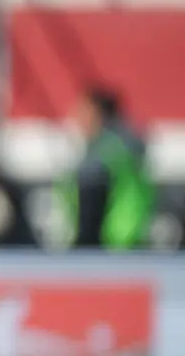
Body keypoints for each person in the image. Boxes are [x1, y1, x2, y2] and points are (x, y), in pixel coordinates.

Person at [58, 86, 154, 250]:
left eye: (82, 111)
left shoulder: (102, 152)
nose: (76, 118)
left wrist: (81, 247)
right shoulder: (126, 144)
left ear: (97, 114)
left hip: (110, 243)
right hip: (130, 237)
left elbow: (90, 208)